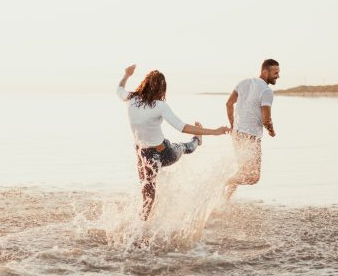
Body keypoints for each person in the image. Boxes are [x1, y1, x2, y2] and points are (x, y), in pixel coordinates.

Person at [117, 64, 230, 219]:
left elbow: (119, 89)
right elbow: (181, 126)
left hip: (159, 152)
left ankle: (197, 140)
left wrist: (126, 74)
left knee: (185, 148)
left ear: (145, 84)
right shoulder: (156, 104)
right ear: (161, 89)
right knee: (146, 189)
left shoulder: (131, 98)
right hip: (148, 153)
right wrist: (215, 131)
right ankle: (142, 223)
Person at [225, 59, 280, 200]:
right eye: (275, 73)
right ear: (264, 71)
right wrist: (271, 131)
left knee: (243, 171)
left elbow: (229, 103)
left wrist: (233, 126)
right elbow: (266, 120)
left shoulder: (243, 83)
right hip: (251, 137)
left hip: (237, 135)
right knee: (253, 177)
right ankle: (225, 182)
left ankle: (223, 199)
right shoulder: (267, 91)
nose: (278, 76)